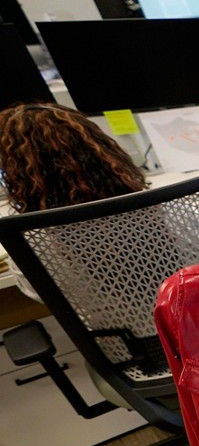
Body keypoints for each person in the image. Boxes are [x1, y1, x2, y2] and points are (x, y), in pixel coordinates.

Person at [0, 103, 147, 300]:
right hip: (186, 325)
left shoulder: (31, 244)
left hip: (110, 330)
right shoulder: (166, 207)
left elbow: (36, 294)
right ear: (102, 149)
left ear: (16, 174)